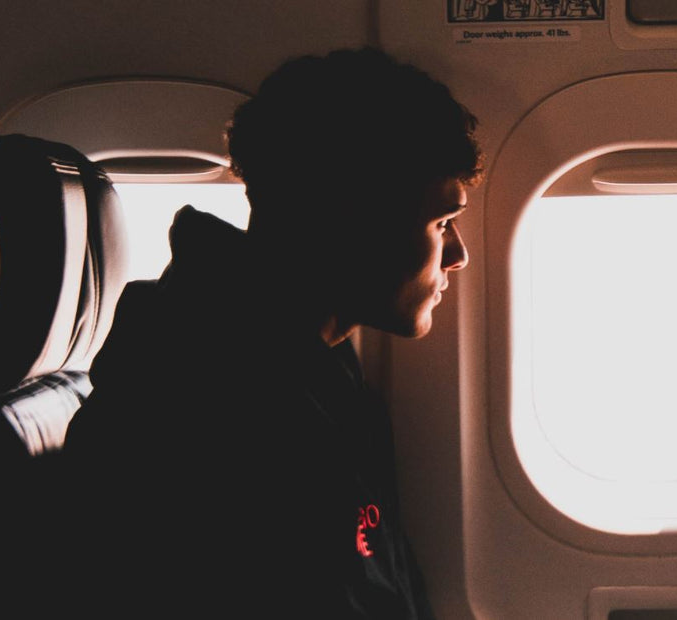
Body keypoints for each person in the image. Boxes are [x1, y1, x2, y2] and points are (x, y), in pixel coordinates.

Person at [63, 47, 482, 618]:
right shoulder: (222, 401)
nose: (458, 255)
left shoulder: (312, 359)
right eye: (442, 222)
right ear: (353, 216)